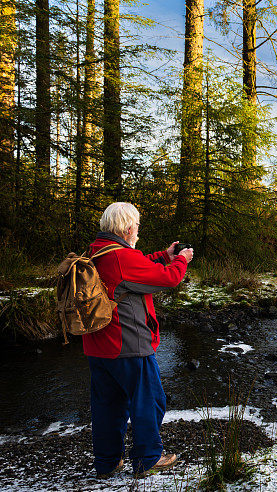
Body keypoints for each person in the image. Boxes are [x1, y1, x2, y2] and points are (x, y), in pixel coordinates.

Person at [85, 202, 193, 478]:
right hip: (128, 344)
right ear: (128, 227)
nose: (137, 231)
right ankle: (147, 458)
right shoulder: (121, 257)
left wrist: (164, 255)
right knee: (150, 401)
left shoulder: (98, 250)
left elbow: (138, 267)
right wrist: (181, 260)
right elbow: (168, 279)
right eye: (136, 226)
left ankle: (107, 462)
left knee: (107, 406)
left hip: (98, 346)